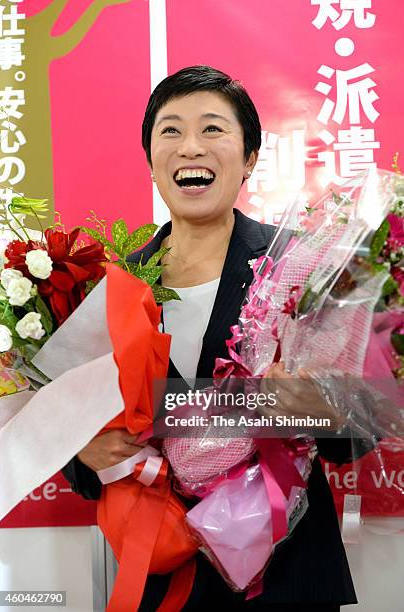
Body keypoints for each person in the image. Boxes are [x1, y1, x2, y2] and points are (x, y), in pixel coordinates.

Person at [63, 65, 367, 611]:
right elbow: (72, 429)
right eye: (171, 131)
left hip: (289, 576)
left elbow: (358, 431)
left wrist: (318, 408)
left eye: (213, 129)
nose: (190, 146)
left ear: (250, 158)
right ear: (151, 162)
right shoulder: (110, 289)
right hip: (164, 571)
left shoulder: (303, 265)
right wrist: (84, 453)